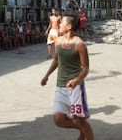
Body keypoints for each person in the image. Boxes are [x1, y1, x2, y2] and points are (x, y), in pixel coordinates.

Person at [40, 11, 94, 140]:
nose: (59, 24)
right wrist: (47, 75)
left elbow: (85, 68)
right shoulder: (58, 41)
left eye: (62, 22)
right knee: (58, 119)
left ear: (69, 26)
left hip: (75, 88)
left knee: (80, 119)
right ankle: (83, 130)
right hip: (61, 86)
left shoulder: (79, 44)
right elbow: (56, 60)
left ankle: (86, 133)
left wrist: (76, 80)